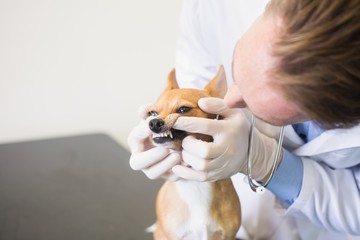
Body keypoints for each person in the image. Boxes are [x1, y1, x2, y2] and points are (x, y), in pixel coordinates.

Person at [128, 0, 360, 239]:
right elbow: (194, 87)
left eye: (253, 101)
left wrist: (266, 162)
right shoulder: (213, 7)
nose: (228, 99)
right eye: (237, 71)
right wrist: (180, 154)